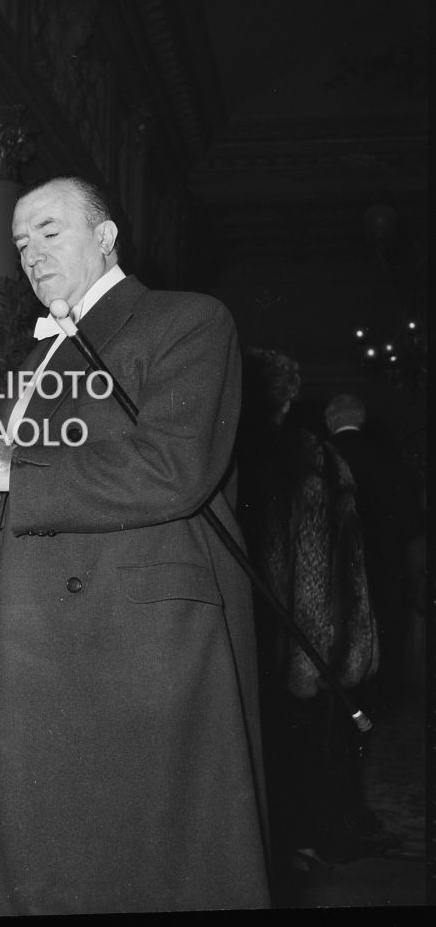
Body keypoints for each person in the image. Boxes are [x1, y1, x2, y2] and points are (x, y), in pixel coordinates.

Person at [0, 176, 270, 914]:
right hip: (20, 641)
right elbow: (14, 484)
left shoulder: (185, 321)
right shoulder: (32, 362)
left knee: (137, 865)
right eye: (20, 243)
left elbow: (172, 468)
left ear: (106, 236)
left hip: (133, 645)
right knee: (28, 865)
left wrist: (5, 471)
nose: (30, 253)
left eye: (49, 232)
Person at [236, 354, 379, 879]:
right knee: (308, 749)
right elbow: (343, 563)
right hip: (308, 642)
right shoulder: (316, 456)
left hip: (246, 639)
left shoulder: (225, 453)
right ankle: (304, 844)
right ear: (290, 400)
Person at [324, 393, 413, 709]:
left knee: (343, 632)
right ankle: (385, 698)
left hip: (339, 564)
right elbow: (410, 515)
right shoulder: (389, 456)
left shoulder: (323, 455)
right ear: (360, 419)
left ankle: (347, 700)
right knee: (386, 628)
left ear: (330, 420)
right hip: (385, 561)